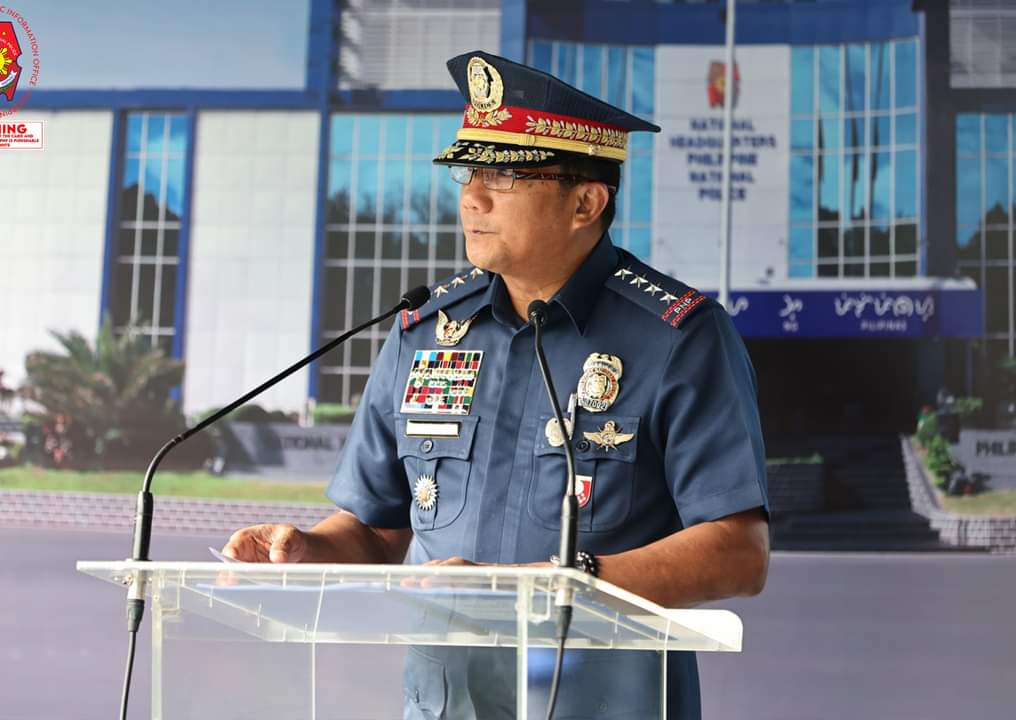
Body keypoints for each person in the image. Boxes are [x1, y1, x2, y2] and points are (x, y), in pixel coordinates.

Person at [224, 50, 770, 719]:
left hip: (603, 706)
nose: (472, 197)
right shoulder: (424, 332)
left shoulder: (678, 337)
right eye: (469, 171)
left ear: (586, 202)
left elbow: (738, 553)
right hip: (448, 705)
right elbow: (376, 530)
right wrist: (306, 550)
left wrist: (561, 583)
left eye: (504, 175)